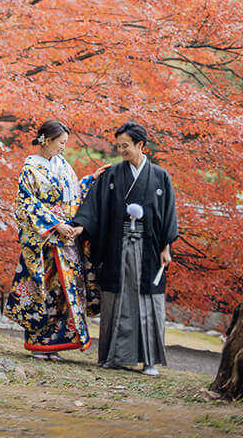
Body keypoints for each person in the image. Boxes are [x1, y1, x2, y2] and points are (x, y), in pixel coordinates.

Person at [72, 121, 178, 375]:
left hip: (149, 249)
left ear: (140, 145)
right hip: (116, 248)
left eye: (126, 146)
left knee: (148, 301)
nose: (121, 150)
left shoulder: (160, 176)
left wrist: (166, 247)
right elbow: (94, 207)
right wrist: (81, 226)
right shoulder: (112, 175)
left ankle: (149, 361)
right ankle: (113, 357)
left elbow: (168, 214)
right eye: (118, 146)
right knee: (115, 298)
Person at [4, 119, 96, 359]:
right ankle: (38, 343)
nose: (63, 147)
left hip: (66, 241)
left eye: (65, 143)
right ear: (46, 140)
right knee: (42, 290)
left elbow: (74, 196)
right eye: (61, 142)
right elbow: (26, 204)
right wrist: (56, 224)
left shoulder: (64, 166)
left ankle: (54, 345)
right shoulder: (30, 168)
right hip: (44, 241)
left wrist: (90, 180)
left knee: (63, 294)